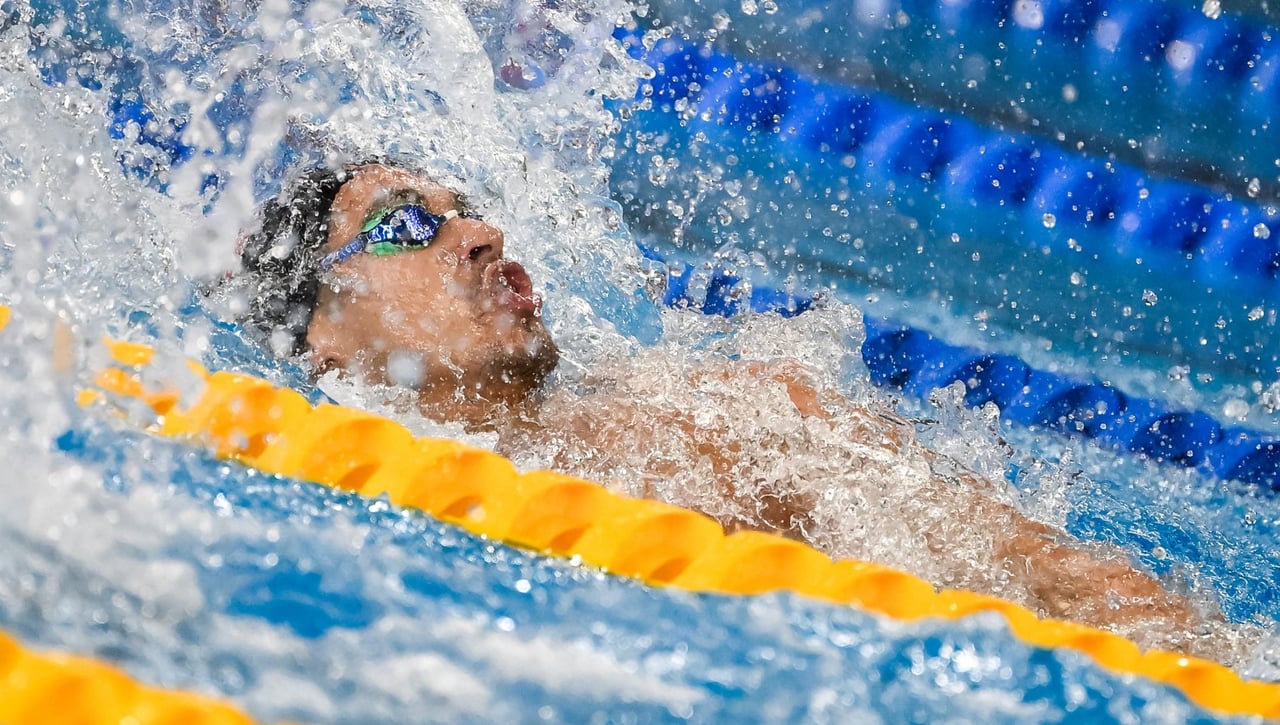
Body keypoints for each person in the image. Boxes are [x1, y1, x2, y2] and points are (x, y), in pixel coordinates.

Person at [229, 160, 1212, 654]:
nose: (482, 231)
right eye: (409, 224)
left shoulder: (727, 416)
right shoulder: (307, 510)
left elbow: (1049, 571)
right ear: (326, 341)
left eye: (471, 204)